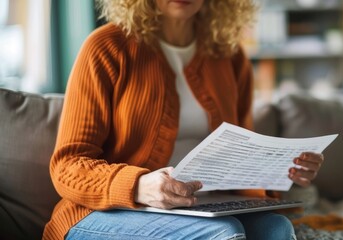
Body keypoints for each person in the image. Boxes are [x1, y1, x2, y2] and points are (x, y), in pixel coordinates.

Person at [43, 0, 326, 239]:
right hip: (101, 213)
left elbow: (238, 157)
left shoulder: (230, 55)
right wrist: (139, 186)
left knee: (276, 229)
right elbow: (68, 166)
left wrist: (282, 171)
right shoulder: (106, 47)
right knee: (224, 231)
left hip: (200, 208)